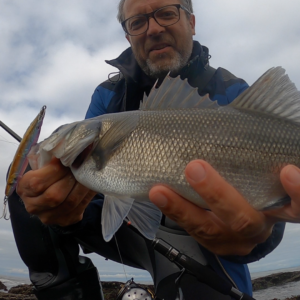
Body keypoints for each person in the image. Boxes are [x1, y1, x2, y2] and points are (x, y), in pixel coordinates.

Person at [7, 0, 300, 299]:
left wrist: (258, 237)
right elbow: (97, 198)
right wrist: (70, 216)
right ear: (128, 35)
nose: (155, 28)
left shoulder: (232, 90)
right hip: (133, 233)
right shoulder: (106, 98)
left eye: (167, 13)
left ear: (192, 22)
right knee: (26, 180)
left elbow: (271, 216)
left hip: (210, 243)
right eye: (138, 22)